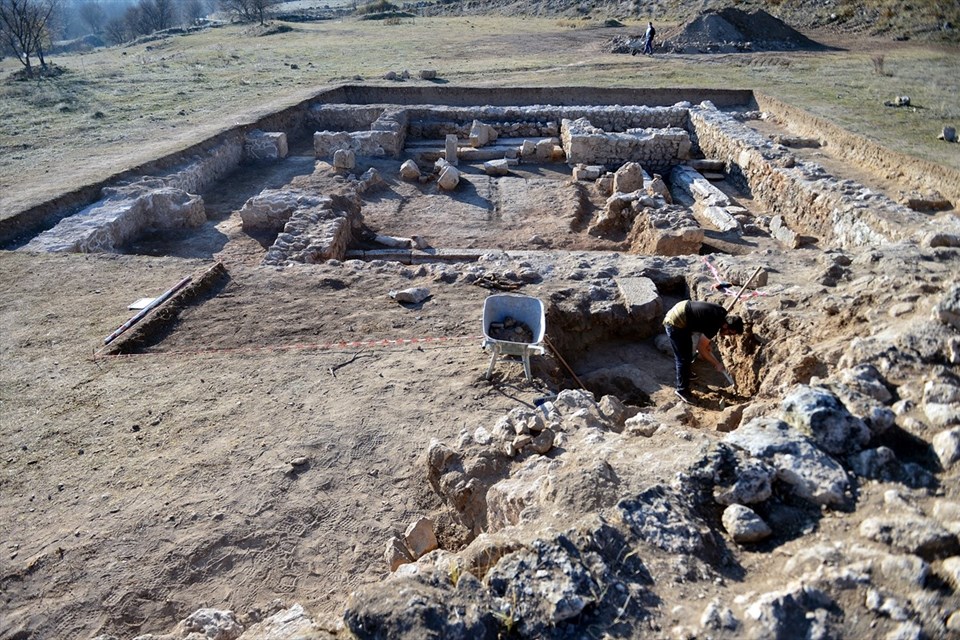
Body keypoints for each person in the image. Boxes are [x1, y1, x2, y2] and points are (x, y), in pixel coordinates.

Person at [663, 300, 744, 403]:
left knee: (687, 351)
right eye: (730, 332)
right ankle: (682, 391)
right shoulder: (714, 326)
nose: (728, 335)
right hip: (676, 321)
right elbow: (701, 349)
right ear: (725, 326)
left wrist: (707, 344)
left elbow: (704, 324)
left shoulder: (722, 313)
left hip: (684, 312)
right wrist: (717, 364)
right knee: (683, 358)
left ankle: (686, 373)